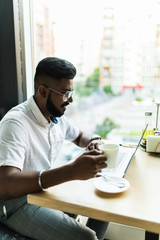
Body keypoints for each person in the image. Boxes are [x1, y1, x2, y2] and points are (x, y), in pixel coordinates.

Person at [0, 57, 109, 240]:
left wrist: (96, 141)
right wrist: (72, 171)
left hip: (41, 192)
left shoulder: (55, 116)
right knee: (86, 237)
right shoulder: (16, 123)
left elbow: (80, 136)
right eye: (65, 93)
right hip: (14, 204)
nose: (71, 100)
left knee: (104, 206)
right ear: (43, 91)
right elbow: (5, 185)